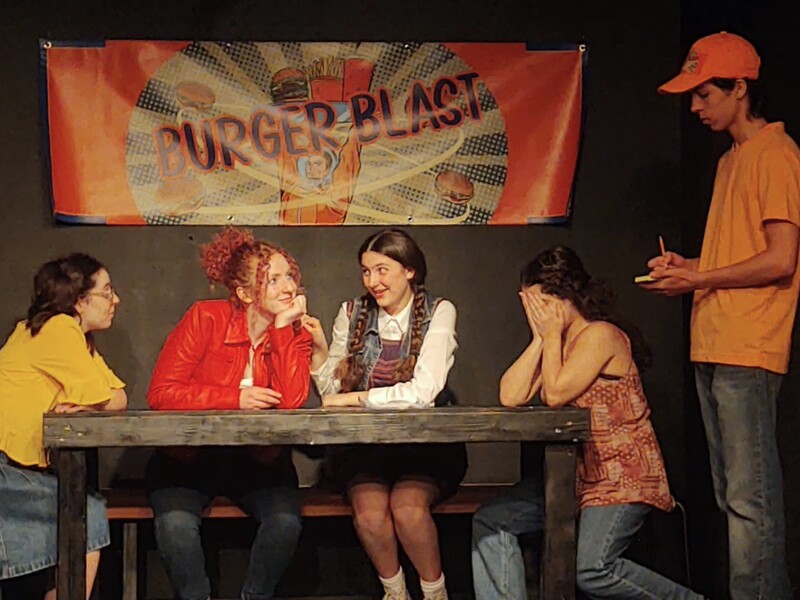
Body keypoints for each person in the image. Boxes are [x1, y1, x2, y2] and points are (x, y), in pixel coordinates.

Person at [642, 31, 800, 599]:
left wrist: (699, 279)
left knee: (749, 501)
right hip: (713, 341)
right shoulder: (732, 159)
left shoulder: (776, 154)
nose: (695, 106)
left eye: (705, 93)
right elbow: (739, 255)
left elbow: (782, 259)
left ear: (740, 88)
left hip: (747, 346)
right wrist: (689, 266)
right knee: (731, 497)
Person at [472, 246, 704, 599]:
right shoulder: (558, 344)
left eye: (541, 305)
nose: (537, 315)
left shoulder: (600, 335)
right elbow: (511, 395)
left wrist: (551, 337)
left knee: (593, 569)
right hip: (577, 479)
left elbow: (555, 393)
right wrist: (540, 339)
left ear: (565, 297)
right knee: (493, 521)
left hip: (622, 477)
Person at [146, 227, 312, 600]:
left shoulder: (294, 331)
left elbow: (292, 402)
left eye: (289, 276)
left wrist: (282, 330)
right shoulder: (206, 318)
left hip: (259, 461)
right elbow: (162, 393)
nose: (288, 287)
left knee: (284, 522)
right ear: (245, 293)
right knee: (175, 526)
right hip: (187, 459)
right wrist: (233, 398)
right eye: (273, 280)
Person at [305, 228, 466, 600]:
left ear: (409, 270)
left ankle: (435, 594)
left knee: (408, 510)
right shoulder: (352, 312)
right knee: (370, 514)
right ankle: (396, 593)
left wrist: (357, 399)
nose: (372, 281)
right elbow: (332, 394)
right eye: (366, 271)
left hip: (424, 447)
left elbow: (422, 394)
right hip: (365, 447)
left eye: (382, 270)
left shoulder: (439, 311)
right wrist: (320, 353)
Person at [0, 253, 127, 600]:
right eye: (107, 292)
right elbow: (106, 395)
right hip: (5, 468)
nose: (115, 300)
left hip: (16, 468)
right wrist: (95, 399)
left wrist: (91, 401)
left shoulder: (77, 338)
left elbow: (118, 397)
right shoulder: (58, 328)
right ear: (79, 301)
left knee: (84, 509)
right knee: (85, 511)